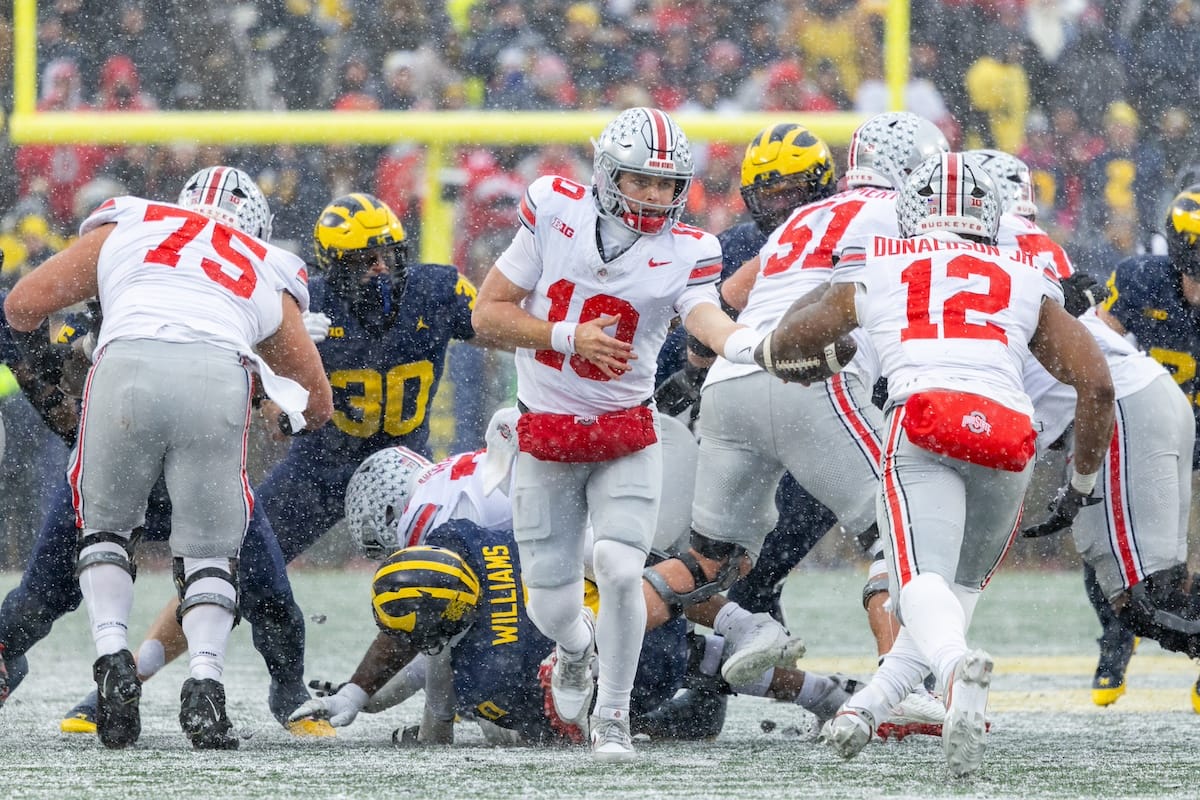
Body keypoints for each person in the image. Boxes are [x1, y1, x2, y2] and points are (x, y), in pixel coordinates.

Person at [57, 191, 487, 732]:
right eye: (363, 260)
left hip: (404, 474)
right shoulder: (301, 304)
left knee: (451, 576)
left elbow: (496, 325)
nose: (380, 269)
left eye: (388, 255)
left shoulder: (435, 290)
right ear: (334, 267)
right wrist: (280, 355)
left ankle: (469, 696)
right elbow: (247, 379)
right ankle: (127, 681)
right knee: (223, 567)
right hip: (319, 471)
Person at [758, 151, 1114, 777]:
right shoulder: (1026, 274)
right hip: (1008, 434)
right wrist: (1082, 480)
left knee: (917, 585)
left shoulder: (882, 262)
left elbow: (790, 340)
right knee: (954, 595)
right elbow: (1098, 386)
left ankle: (953, 674)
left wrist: (785, 349)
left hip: (925, 419)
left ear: (909, 212)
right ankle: (868, 707)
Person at [641, 112, 952, 738]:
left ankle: (581, 650)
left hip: (731, 383)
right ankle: (902, 689)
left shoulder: (800, 223)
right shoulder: (906, 215)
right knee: (899, 534)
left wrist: (695, 371)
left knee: (705, 563)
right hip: (812, 379)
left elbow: (726, 298)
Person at [2, 166, 334, 749]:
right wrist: (269, 379)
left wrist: (53, 381)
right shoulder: (262, 263)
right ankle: (226, 686)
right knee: (245, 578)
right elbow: (314, 406)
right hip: (207, 408)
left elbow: (21, 308)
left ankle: (108, 657)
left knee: (62, 573)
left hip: (121, 405)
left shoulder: (131, 225)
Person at [470, 106, 765, 760]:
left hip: (624, 434)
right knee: (550, 604)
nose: (656, 196)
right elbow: (487, 315)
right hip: (547, 432)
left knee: (620, 566)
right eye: (642, 181)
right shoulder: (555, 210)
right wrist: (565, 336)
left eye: (667, 184)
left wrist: (746, 345)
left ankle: (613, 716)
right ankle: (575, 650)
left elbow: (704, 315)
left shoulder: (689, 248)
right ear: (608, 175)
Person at [288, 435, 859, 743]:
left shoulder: (436, 533)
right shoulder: (449, 496)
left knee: (629, 613)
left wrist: (375, 701)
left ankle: (751, 637)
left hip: (587, 531)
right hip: (609, 485)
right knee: (650, 621)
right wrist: (359, 692)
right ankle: (819, 685)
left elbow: (429, 644)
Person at [1087, 184, 1200, 711]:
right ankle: (1116, 638)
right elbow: (1095, 345)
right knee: (1108, 545)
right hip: (1152, 437)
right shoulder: (1140, 280)